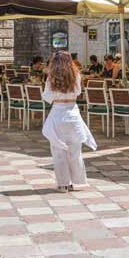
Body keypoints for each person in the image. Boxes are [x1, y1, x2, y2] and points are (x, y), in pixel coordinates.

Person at [41, 51, 97, 192]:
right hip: (73, 113)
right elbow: (78, 92)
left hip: (58, 113)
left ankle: (63, 184)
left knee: (58, 152)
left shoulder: (51, 77)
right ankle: (76, 181)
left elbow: (47, 97)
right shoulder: (76, 75)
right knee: (75, 151)